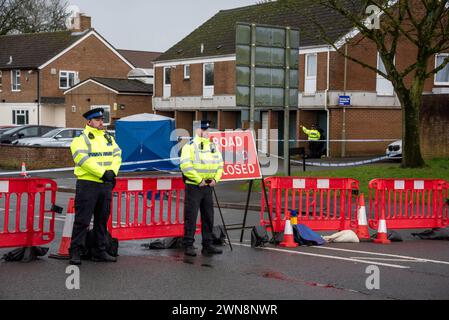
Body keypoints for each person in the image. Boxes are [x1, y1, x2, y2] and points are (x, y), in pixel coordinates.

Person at [69, 108, 122, 265]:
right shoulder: (81, 139)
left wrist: (112, 172)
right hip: (88, 184)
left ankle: (100, 251)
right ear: (89, 122)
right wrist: (102, 173)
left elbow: (117, 154)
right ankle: (76, 252)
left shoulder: (108, 137)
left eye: (102, 120)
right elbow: (82, 159)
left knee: (102, 220)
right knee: (82, 220)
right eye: (98, 120)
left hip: (105, 184)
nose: (101, 122)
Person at [180, 120, 224, 257]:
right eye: (205, 130)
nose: (208, 133)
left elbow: (220, 164)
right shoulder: (190, 146)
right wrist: (199, 180)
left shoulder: (212, 146)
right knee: (191, 217)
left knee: (208, 217)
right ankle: (188, 245)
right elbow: (186, 166)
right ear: (198, 131)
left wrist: (216, 179)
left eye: (208, 130)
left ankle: (207, 244)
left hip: (207, 187)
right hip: (195, 186)